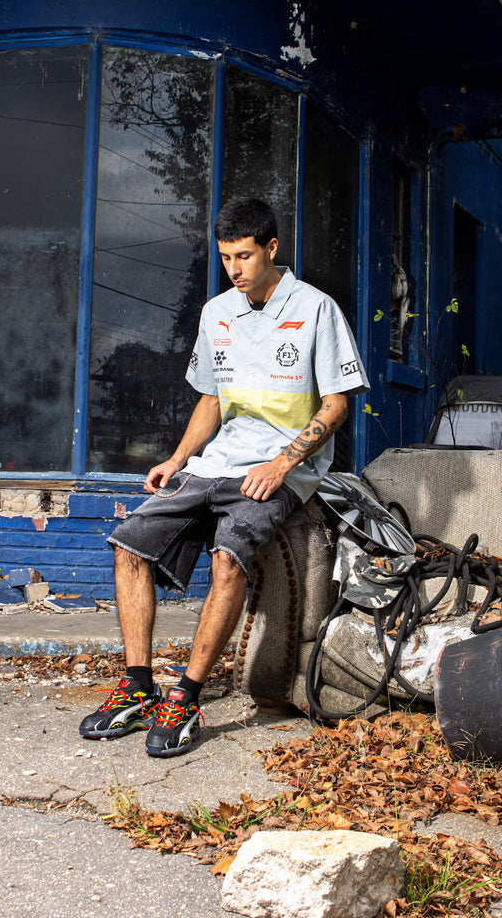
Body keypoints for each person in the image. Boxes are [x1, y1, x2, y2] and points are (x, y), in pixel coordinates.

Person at [79, 197, 369, 757]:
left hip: (281, 470)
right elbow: (211, 401)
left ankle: (185, 697)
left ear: (271, 248)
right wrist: (177, 460)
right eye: (226, 257)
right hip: (215, 464)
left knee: (228, 559)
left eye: (245, 256)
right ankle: (137, 687)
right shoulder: (217, 313)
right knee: (128, 546)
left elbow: (336, 406)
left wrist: (282, 464)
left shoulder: (316, 309)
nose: (234, 269)